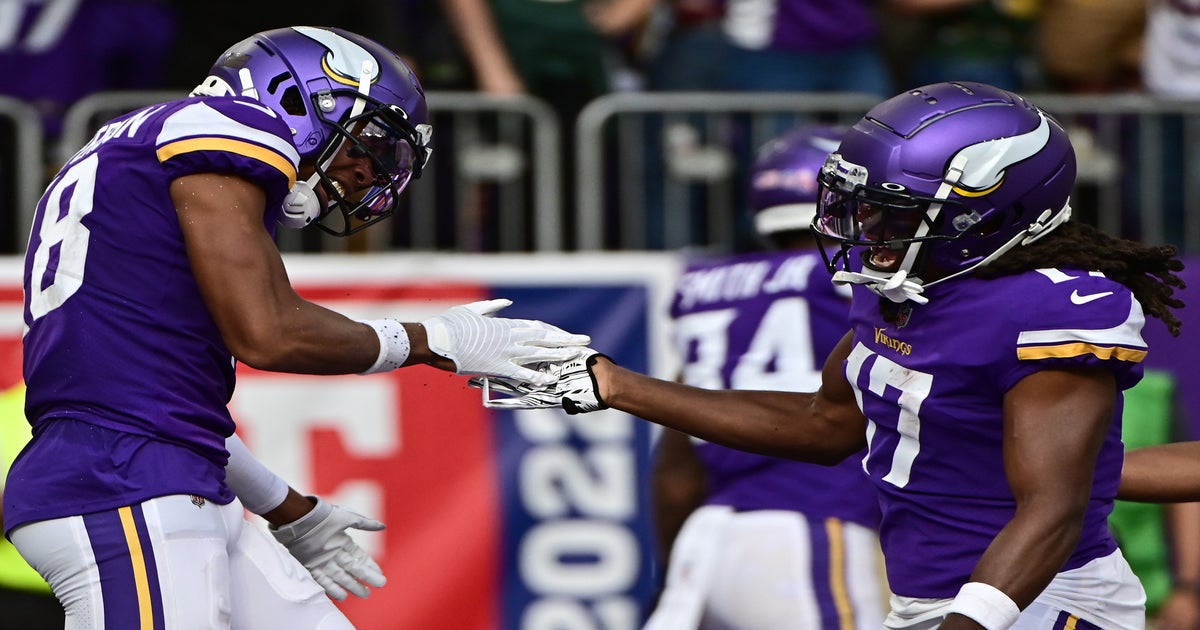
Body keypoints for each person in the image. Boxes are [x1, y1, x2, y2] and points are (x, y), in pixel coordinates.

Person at [478, 81, 1188, 629]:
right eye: (864, 205)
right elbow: (825, 426)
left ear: (987, 213)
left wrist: (966, 623)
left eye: (895, 211)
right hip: (935, 598)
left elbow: (1053, 510)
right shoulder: (901, 291)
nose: (867, 228)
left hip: (1036, 602)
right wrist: (616, 384)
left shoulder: (1052, 308)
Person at [4, 26, 589, 629]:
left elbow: (160, 402)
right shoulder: (230, 127)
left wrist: (290, 511)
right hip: (124, 484)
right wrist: (432, 341)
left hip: (158, 471)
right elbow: (268, 333)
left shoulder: (142, 145)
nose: (367, 171)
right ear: (302, 95)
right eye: (367, 143)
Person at [646, 124, 887, 630]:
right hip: (810, 525)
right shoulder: (861, 281)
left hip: (707, 539)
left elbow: (676, 467)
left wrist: (671, 573)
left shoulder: (703, 287)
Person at [1109, 369, 1200, 630]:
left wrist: (1187, 586)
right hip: (1047, 590)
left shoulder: (1155, 392)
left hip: (1148, 593)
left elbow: (1186, 495)